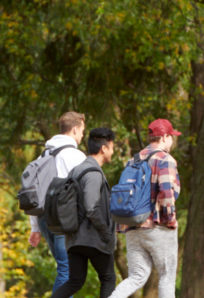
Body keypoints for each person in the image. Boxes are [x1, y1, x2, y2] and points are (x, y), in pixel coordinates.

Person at [109, 119, 183, 298]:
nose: (172, 140)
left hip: (132, 225)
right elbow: (166, 192)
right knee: (166, 276)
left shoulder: (132, 160)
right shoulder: (165, 159)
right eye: (171, 137)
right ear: (164, 137)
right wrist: (171, 220)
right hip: (157, 226)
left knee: (136, 276)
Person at [54, 127, 119, 298]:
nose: (112, 152)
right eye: (112, 147)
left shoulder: (76, 170)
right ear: (103, 148)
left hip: (73, 238)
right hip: (92, 238)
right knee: (108, 278)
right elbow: (91, 206)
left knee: (75, 281)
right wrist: (105, 232)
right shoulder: (93, 173)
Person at [31, 112, 89, 293]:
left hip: (43, 217)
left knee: (64, 269)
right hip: (64, 219)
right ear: (75, 129)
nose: (82, 136)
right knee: (68, 272)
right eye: (82, 132)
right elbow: (85, 190)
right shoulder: (75, 156)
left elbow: (34, 191)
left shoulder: (43, 155)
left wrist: (35, 227)